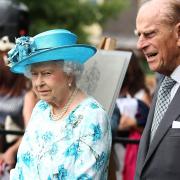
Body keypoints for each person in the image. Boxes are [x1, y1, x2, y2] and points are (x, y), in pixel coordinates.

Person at [8, 29, 112, 179]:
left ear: (69, 73)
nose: (38, 83)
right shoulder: (41, 109)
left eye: (47, 73)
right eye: (34, 74)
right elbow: (21, 168)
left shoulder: (93, 116)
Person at [135, 0, 180, 179]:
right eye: (139, 35)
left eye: (149, 34)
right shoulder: (163, 85)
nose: (140, 44)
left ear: (178, 33)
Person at [111, 53, 151, 180]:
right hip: (118, 152)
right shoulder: (116, 93)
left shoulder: (140, 96)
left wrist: (133, 123)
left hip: (128, 151)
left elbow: (149, 127)